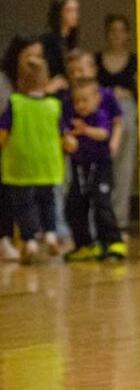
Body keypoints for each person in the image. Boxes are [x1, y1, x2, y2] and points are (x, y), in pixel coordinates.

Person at [0, 57, 63, 263]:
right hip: (47, 165)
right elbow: (63, 135)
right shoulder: (54, 106)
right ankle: (51, 234)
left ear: (19, 82)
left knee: (24, 205)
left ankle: (30, 241)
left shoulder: (15, 104)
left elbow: (3, 132)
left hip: (21, 166)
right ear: (46, 81)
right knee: (48, 201)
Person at [61, 80, 125, 261]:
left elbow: (104, 134)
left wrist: (86, 130)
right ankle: (85, 244)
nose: (80, 105)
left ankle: (114, 242)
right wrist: (67, 141)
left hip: (101, 166)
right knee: (75, 206)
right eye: (77, 101)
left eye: (85, 100)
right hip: (80, 168)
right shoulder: (71, 117)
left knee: (101, 204)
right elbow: (66, 137)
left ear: (97, 99)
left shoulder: (100, 115)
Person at [0, 36, 44, 261]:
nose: (35, 61)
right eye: (31, 55)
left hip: (21, 154)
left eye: (39, 56)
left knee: (17, 197)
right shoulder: (5, 83)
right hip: (8, 147)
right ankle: (6, 238)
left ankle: (22, 237)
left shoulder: (35, 88)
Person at [96, 13, 139, 233]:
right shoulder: (97, 59)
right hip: (101, 114)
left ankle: (120, 220)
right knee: (102, 166)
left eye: (121, 31)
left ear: (128, 34)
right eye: (113, 31)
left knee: (124, 167)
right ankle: (101, 220)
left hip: (127, 112)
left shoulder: (134, 60)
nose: (117, 35)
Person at [40, 0, 79, 92]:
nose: (75, 15)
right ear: (59, 13)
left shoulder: (70, 41)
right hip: (51, 90)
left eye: (76, 10)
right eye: (69, 10)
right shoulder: (48, 39)